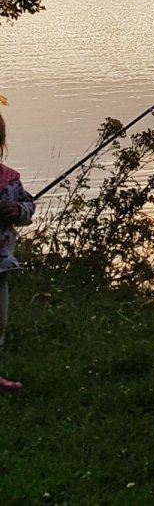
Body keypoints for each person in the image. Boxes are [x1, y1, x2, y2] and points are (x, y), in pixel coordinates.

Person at [0, 111, 34, 393]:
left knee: (0, 319)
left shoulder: (11, 180)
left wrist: (19, 210)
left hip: (2, 263)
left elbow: (28, 206)